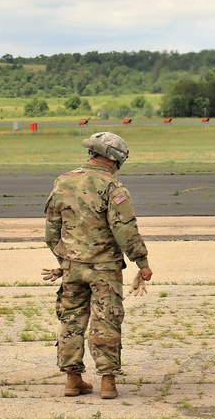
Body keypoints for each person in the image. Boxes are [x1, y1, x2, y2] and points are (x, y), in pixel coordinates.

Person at [43, 131, 152, 400]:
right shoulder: (112, 187)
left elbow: (51, 230)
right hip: (104, 268)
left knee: (70, 321)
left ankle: (72, 380)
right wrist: (142, 262)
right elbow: (125, 229)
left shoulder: (63, 182)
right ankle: (107, 382)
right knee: (106, 321)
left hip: (72, 266)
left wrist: (64, 260)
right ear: (115, 160)